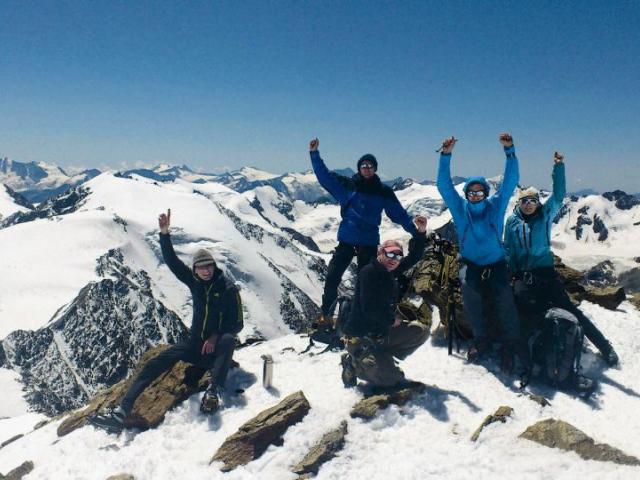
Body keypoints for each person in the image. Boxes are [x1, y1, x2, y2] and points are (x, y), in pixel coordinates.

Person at [89, 209, 243, 433]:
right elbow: (172, 262)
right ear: (196, 270)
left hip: (217, 349)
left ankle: (213, 391)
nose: (206, 271)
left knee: (229, 339)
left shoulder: (228, 289)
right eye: (201, 267)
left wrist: (215, 335)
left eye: (208, 266)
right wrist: (164, 234)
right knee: (155, 364)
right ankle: (121, 411)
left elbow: (237, 324)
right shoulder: (194, 282)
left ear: (214, 266)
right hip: (194, 345)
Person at [504, 152, 618, 366]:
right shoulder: (511, 222)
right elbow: (509, 248)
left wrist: (559, 167)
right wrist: (511, 273)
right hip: (523, 276)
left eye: (532, 201)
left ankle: (605, 346)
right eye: (524, 201)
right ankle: (527, 350)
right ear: (519, 203)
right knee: (523, 312)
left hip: (546, 274)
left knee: (572, 310)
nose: (529, 204)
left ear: (538, 203)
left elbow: (558, 195)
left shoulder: (545, 215)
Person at [436, 134, 527, 372]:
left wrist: (510, 151)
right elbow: (444, 187)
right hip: (470, 263)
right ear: (466, 195)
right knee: (470, 297)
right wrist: (445, 155)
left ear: (486, 193)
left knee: (505, 299)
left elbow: (511, 181)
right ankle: (481, 339)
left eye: (479, 192)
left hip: (496, 262)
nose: (475, 196)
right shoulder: (460, 209)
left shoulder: (496, 206)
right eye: (471, 192)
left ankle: (510, 344)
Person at [309, 138, 422, 324]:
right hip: (347, 241)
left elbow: (398, 214)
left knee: (365, 283)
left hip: (368, 243)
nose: (367, 168)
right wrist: (314, 154)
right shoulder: (347, 186)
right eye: (363, 165)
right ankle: (326, 316)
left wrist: (414, 230)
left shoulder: (383, 191)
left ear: (375, 168)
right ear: (359, 168)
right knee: (332, 278)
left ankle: (360, 317)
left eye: (370, 165)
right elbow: (325, 177)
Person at [340, 215, 429, 388]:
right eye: (389, 254)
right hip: (361, 337)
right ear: (380, 253)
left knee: (420, 331)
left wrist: (421, 232)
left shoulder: (389, 271)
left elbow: (414, 257)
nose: (394, 259)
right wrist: (391, 320)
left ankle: (383, 357)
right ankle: (353, 363)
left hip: (381, 333)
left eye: (398, 256)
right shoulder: (369, 273)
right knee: (393, 381)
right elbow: (368, 308)